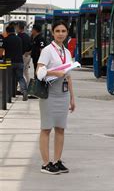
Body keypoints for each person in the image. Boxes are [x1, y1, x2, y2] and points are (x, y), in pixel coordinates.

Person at [36, 20, 76, 175]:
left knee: (61, 128)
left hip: (63, 94)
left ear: (67, 33)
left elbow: (69, 76)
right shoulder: (47, 50)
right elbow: (39, 71)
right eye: (57, 31)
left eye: (63, 31)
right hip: (49, 94)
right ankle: (46, 163)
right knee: (46, 128)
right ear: (52, 33)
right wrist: (54, 72)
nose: (60, 34)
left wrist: (72, 98)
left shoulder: (67, 52)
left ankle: (57, 161)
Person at [0, 25, 28, 101]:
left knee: (10, 78)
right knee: (20, 77)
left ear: (7, 32)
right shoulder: (19, 39)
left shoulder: (6, 40)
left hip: (10, 62)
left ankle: (10, 93)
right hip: (19, 61)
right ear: (14, 31)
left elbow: (1, 51)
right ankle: (24, 91)